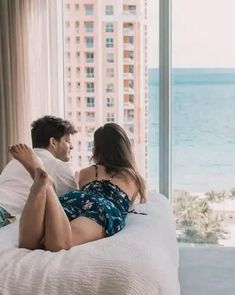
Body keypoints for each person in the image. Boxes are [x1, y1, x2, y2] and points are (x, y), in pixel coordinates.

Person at [9, 123, 146, 252]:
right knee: (59, 243)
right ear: (125, 148)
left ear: (96, 150)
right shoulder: (133, 177)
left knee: (28, 244)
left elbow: (82, 189)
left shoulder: (86, 172)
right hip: (103, 207)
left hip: (74, 199)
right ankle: (47, 185)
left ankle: (40, 182)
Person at [0, 115, 77, 216]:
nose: (72, 146)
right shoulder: (58, 165)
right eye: (67, 141)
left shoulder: (15, 161)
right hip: (6, 212)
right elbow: (74, 203)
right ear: (53, 142)